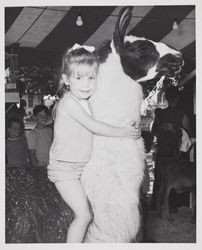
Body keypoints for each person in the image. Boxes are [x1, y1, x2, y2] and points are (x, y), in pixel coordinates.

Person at [47, 44, 141, 243]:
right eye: (78, 77)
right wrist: (124, 132)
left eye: (91, 77)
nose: (86, 84)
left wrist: (128, 126)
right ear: (66, 79)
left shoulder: (85, 101)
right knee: (84, 216)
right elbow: (95, 126)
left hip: (81, 169)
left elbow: (106, 118)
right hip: (66, 172)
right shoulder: (69, 103)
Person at [150, 86, 190, 210]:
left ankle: (156, 206)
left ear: (166, 98)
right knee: (173, 179)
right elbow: (188, 134)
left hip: (162, 151)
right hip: (174, 152)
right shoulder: (182, 115)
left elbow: (153, 131)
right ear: (177, 98)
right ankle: (172, 206)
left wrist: (162, 128)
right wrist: (176, 130)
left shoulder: (160, 113)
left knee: (160, 178)